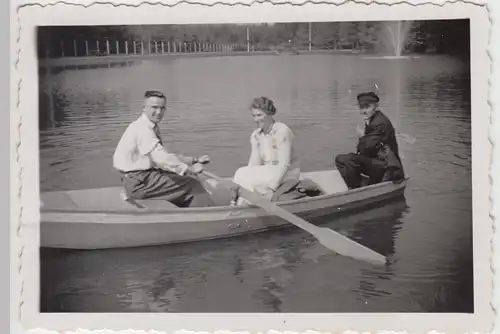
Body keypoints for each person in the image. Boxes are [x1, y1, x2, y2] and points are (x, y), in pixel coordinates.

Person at [113, 90, 214, 207]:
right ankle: (205, 217)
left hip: (142, 178)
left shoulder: (149, 126)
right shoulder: (142, 129)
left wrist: (194, 160)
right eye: (154, 107)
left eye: (162, 108)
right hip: (140, 183)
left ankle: (185, 211)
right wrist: (190, 169)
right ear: (144, 108)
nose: (159, 112)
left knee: (184, 176)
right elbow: (162, 159)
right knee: (193, 184)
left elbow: (164, 156)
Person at [231, 97, 301, 206]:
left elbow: (285, 165)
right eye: (254, 116)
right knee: (240, 172)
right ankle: (238, 205)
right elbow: (254, 165)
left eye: (259, 115)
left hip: (287, 174)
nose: (256, 119)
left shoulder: (281, 131)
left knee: (247, 179)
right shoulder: (256, 135)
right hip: (270, 171)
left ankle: (240, 207)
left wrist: (272, 190)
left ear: (269, 115)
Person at [335, 92, 405, 189]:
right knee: (351, 159)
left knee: (342, 160)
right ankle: (360, 185)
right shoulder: (374, 120)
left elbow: (366, 148)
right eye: (361, 107)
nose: (363, 111)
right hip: (383, 165)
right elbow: (368, 150)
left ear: (375, 107)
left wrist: (362, 137)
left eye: (367, 107)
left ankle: (357, 189)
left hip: (388, 169)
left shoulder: (380, 124)